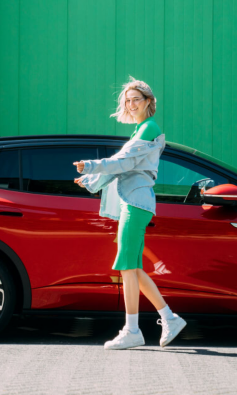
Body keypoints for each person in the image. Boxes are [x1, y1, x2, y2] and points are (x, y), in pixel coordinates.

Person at [72, 76, 187, 350]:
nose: (132, 104)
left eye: (137, 99)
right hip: (134, 203)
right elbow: (125, 167)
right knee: (133, 268)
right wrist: (89, 179)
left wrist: (89, 166)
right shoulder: (141, 130)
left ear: (149, 102)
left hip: (136, 205)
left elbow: (121, 162)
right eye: (128, 100)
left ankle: (132, 330)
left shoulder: (149, 128)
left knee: (125, 267)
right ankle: (169, 318)